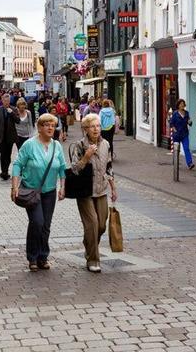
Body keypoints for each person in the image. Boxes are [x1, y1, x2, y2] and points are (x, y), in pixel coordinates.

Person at [10, 114, 67, 271]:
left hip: (50, 191)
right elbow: (17, 165)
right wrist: (14, 187)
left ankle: (43, 256)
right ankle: (32, 257)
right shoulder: (29, 145)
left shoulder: (57, 146)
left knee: (46, 225)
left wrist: (63, 187)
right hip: (31, 190)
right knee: (37, 222)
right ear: (39, 127)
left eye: (52, 125)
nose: (50, 128)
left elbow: (62, 167)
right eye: (46, 125)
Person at [69, 113, 116, 272]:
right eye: (92, 126)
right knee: (92, 224)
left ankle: (88, 243)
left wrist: (113, 187)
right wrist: (86, 157)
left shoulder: (106, 144)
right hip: (85, 191)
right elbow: (75, 169)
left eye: (98, 126)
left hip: (101, 189)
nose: (96, 129)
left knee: (101, 225)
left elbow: (109, 166)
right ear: (85, 129)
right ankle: (93, 260)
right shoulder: (79, 146)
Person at [0, 94, 18, 179]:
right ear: (2, 101)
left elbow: (18, 121)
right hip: (0, 136)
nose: (6, 102)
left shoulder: (13, 109)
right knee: (3, 154)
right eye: (5, 101)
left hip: (10, 136)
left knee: (8, 155)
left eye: (8, 101)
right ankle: (4, 172)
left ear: (10, 101)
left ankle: (5, 170)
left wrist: (12, 113)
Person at [169, 99, 195, 170]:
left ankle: (190, 163)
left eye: (183, 104)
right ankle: (175, 162)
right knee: (177, 150)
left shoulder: (186, 113)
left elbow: (190, 123)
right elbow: (171, 123)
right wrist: (174, 130)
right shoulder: (175, 114)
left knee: (186, 148)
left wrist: (190, 122)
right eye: (181, 104)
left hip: (184, 134)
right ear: (178, 105)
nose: (182, 105)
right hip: (177, 135)